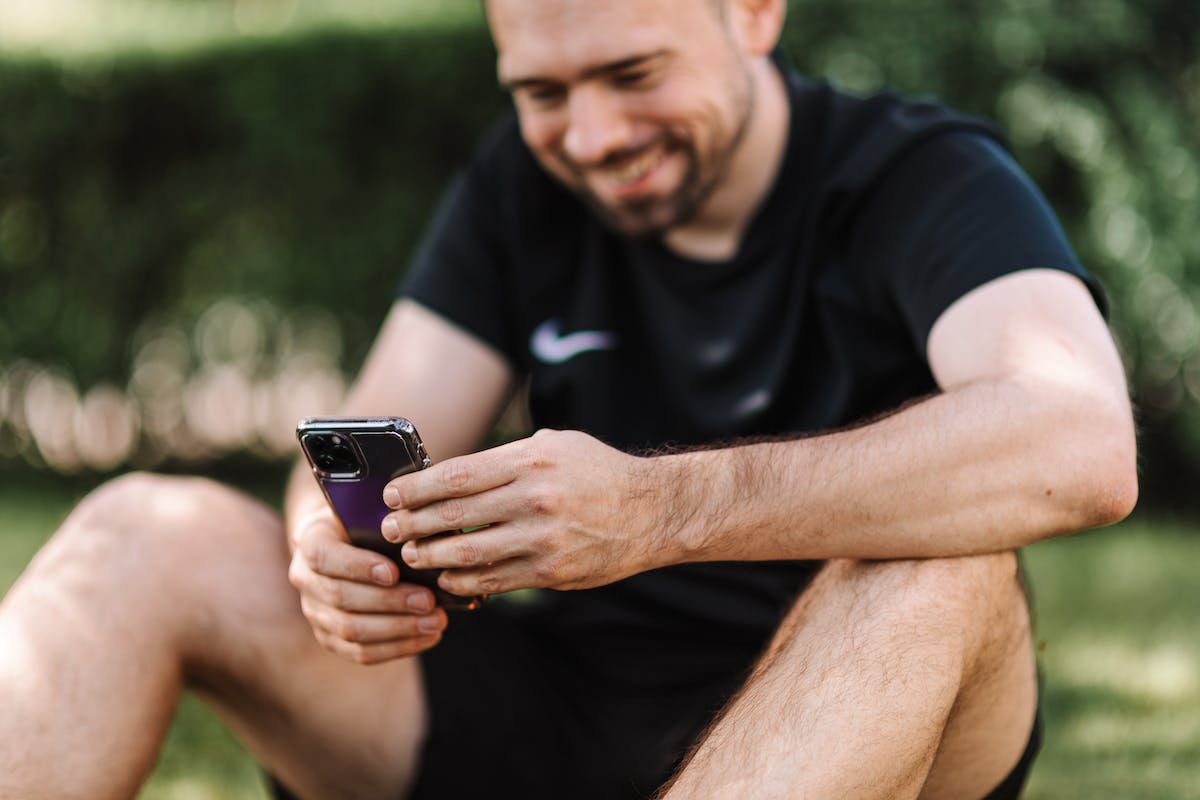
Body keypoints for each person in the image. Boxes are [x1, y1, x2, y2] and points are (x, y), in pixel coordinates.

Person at [0, 0, 1137, 797]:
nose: (590, 138)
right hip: (558, 705)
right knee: (145, 532)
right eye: (542, 91)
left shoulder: (921, 176)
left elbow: (1078, 439)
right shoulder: (521, 182)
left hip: (855, 727)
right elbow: (369, 437)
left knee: (948, 560)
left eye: (634, 74)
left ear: (754, 12)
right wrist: (329, 553)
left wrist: (665, 509)